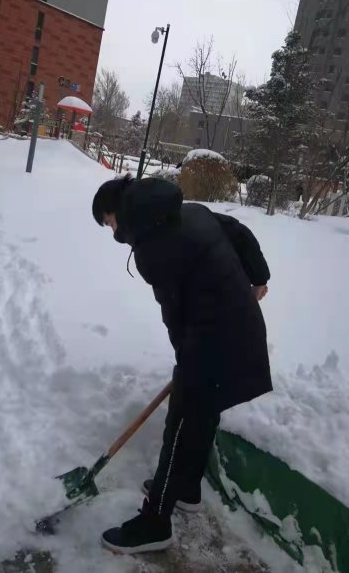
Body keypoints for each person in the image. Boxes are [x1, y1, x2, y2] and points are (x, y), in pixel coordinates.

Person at [92, 174, 272, 555]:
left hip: (216, 338)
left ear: (119, 212)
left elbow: (174, 310)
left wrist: (186, 361)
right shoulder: (188, 211)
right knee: (203, 414)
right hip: (238, 329)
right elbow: (237, 230)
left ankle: (155, 522)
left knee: (181, 425)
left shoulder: (152, 249)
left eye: (108, 222)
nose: (112, 232)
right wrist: (258, 276)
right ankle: (187, 489)